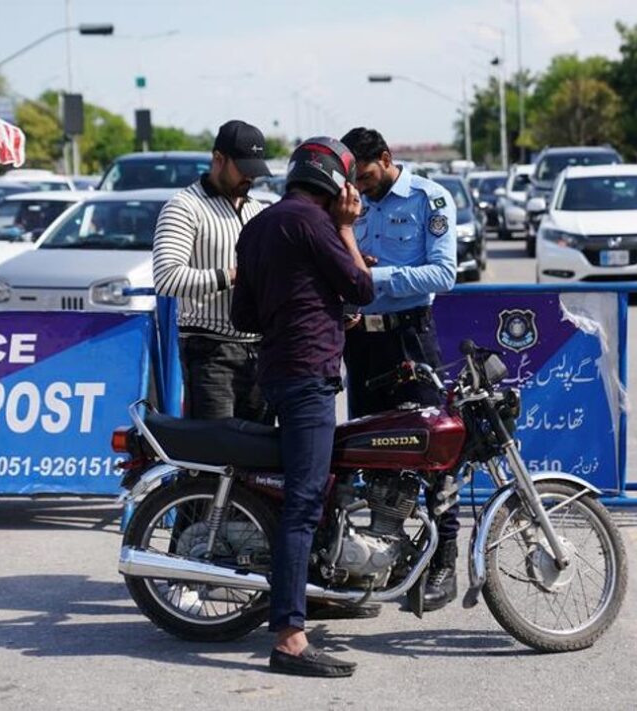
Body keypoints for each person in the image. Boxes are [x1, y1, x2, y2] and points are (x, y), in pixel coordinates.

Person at [231, 137, 374, 678]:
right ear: (335, 184)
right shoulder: (317, 225)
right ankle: (289, 637)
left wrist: (315, 309)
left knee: (304, 492)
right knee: (303, 501)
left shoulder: (259, 226)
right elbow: (361, 286)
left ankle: (312, 595)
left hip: (275, 371)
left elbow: (245, 313)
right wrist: (346, 229)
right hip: (307, 376)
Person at [339, 127, 460, 612]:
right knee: (366, 452)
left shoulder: (430, 199)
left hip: (409, 336)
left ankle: (444, 560)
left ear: (386, 159)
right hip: (361, 342)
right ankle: (376, 561)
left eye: (365, 175)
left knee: (434, 450)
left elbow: (443, 274)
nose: (361, 186)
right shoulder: (351, 203)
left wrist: (374, 278)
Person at [151, 119, 271, 422]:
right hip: (210, 351)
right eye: (243, 168)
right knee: (215, 458)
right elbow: (167, 278)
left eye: (255, 170)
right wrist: (234, 275)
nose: (250, 177)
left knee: (257, 456)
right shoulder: (184, 206)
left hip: (261, 351)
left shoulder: (259, 210)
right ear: (218, 159)